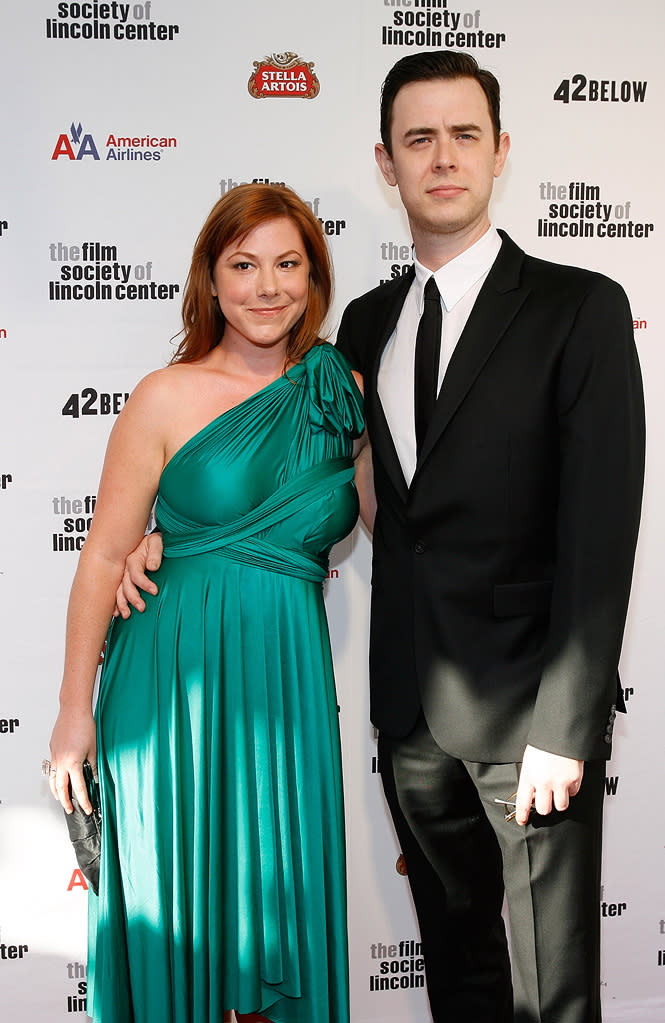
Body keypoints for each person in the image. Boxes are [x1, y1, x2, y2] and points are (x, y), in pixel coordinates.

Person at [334, 51, 645, 1023]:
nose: (441, 157)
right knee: (461, 986)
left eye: (463, 134)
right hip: (409, 718)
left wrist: (565, 728)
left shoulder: (576, 307)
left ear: (500, 151)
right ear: (385, 164)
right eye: (416, 138)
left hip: (528, 723)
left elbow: (599, 535)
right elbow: (366, 501)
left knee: (552, 996)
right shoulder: (364, 322)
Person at [48, 183, 365, 1023]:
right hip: (168, 689)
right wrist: (72, 713)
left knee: (278, 916)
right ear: (211, 280)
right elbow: (104, 558)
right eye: (244, 264)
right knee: (176, 924)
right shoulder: (165, 394)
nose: (268, 287)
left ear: (314, 274)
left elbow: (403, 523)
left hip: (285, 690)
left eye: (288, 264)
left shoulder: (340, 393)